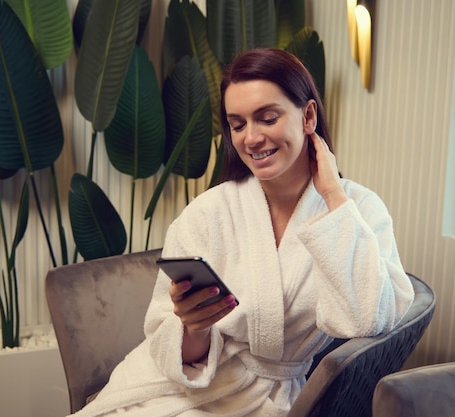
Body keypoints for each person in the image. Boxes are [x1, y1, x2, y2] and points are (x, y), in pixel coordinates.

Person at [70, 48, 414, 417]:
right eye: (237, 125)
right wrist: (193, 328)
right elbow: (163, 338)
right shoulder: (207, 213)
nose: (251, 138)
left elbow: (366, 319)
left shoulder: (357, 210)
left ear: (308, 115)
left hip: (271, 399)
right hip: (180, 387)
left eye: (267, 118)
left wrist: (332, 195)